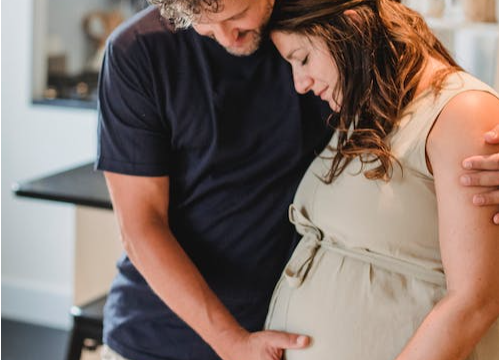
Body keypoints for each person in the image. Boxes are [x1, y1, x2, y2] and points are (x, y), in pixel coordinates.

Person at [96, 0, 499, 359]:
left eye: (236, 16)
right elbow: (140, 226)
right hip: (163, 336)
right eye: (204, 27)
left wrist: (481, 132)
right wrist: (231, 342)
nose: (226, 36)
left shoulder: (315, 27)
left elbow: (432, 93)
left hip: (272, 329)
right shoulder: (138, 52)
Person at [264, 0, 499, 359]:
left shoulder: (462, 113)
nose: (300, 83)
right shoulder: (366, 110)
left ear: (351, 27)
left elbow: (475, 302)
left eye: (303, 58)